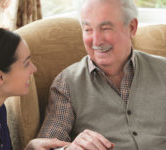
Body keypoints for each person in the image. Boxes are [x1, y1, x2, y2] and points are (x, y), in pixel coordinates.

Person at [37, 0, 166, 149]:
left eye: (105, 28)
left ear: (131, 27)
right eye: (88, 29)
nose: (96, 41)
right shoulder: (67, 83)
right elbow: (46, 146)